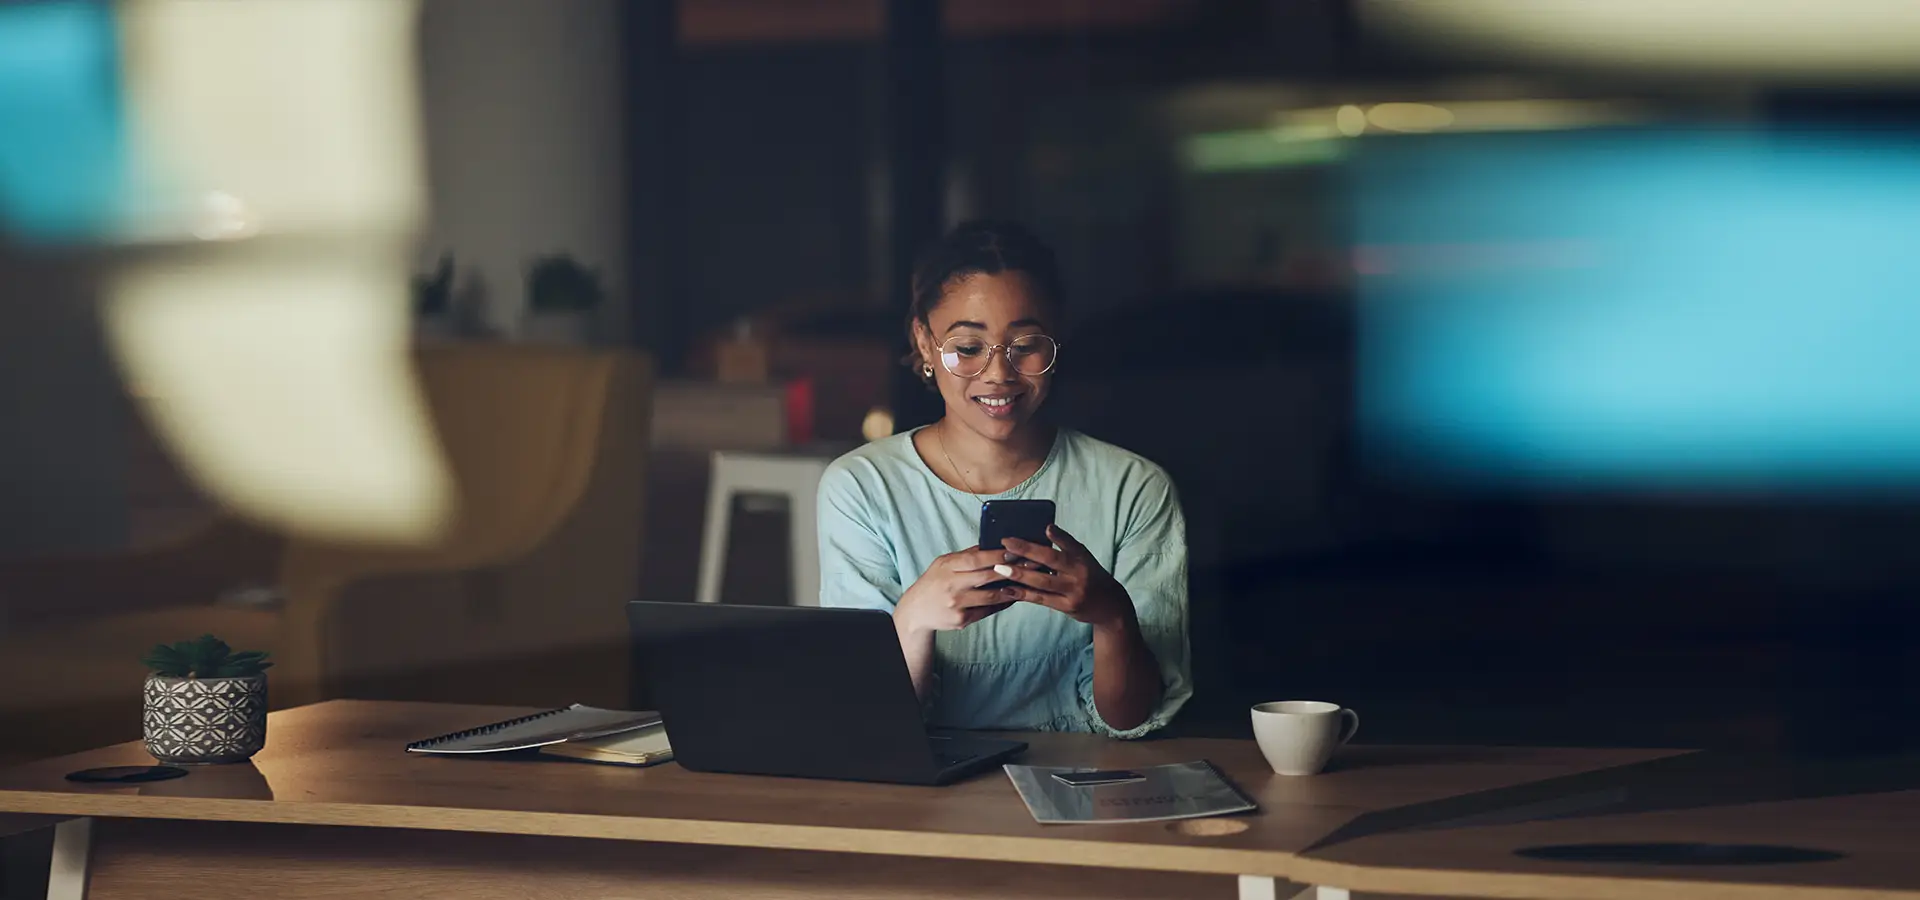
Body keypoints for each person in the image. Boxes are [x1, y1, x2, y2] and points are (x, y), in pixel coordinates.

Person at [816, 220, 1191, 737]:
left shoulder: (1134, 488)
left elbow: (1127, 719)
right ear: (924, 342)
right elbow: (870, 722)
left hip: (1088, 788)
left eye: (1025, 344)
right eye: (967, 348)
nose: (998, 374)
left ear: (1057, 338)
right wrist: (915, 617)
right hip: (924, 797)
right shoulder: (862, 488)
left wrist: (1112, 617)